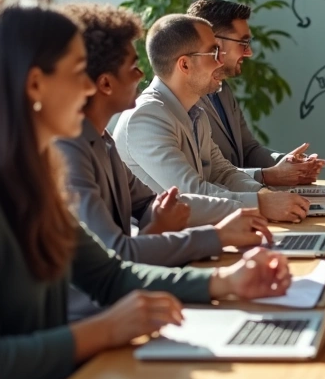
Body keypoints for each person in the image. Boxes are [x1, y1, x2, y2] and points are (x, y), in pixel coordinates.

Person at [0, 0, 294, 379]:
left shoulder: (33, 174)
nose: (91, 87)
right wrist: (106, 330)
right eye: (78, 72)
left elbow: (109, 275)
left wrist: (225, 283)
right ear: (36, 84)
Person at [54, 2, 273, 320]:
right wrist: (219, 237)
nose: (143, 74)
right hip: (98, 321)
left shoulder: (102, 140)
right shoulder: (70, 150)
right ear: (104, 83)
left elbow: (152, 207)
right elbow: (118, 254)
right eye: (132, 66)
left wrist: (160, 222)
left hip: (121, 309)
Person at [113, 14, 311, 223]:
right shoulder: (146, 117)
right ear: (185, 65)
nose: (222, 60)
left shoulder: (196, 110)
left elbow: (222, 172)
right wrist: (262, 205)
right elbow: (192, 192)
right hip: (160, 249)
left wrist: (265, 195)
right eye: (214, 52)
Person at [186, 0, 325, 187]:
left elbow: (248, 149)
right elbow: (203, 176)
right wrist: (269, 175)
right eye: (243, 43)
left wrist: (287, 163)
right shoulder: (183, 100)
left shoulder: (222, 89)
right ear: (214, 42)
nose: (249, 52)